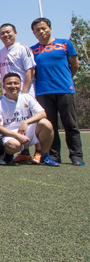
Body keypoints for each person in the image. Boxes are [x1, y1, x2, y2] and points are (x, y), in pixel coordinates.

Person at [30, 17, 84, 166]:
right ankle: (53, 156)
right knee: (50, 126)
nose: (41, 31)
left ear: (50, 28)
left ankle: (76, 156)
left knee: (70, 124)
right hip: (43, 92)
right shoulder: (32, 50)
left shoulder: (65, 44)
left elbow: (75, 65)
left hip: (64, 89)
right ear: (33, 33)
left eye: (43, 28)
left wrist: (66, 80)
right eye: (37, 30)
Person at [0, 73, 59, 166]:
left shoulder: (27, 97)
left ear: (20, 84)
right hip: (10, 135)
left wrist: (26, 122)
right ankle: (8, 155)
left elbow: (42, 113)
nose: (13, 86)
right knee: (13, 145)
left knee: (46, 123)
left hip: (27, 132)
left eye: (16, 83)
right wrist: (17, 135)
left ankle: (45, 156)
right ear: (3, 86)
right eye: (9, 83)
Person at [0, 23, 38, 162]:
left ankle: (37, 152)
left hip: (24, 92)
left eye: (8, 32)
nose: (6, 35)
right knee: (14, 121)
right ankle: (19, 152)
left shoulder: (23, 48)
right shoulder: (0, 52)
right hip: (8, 94)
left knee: (32, 123)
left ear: (15, 33)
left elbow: (30, 70)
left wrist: (25, 91)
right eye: (2, 33)